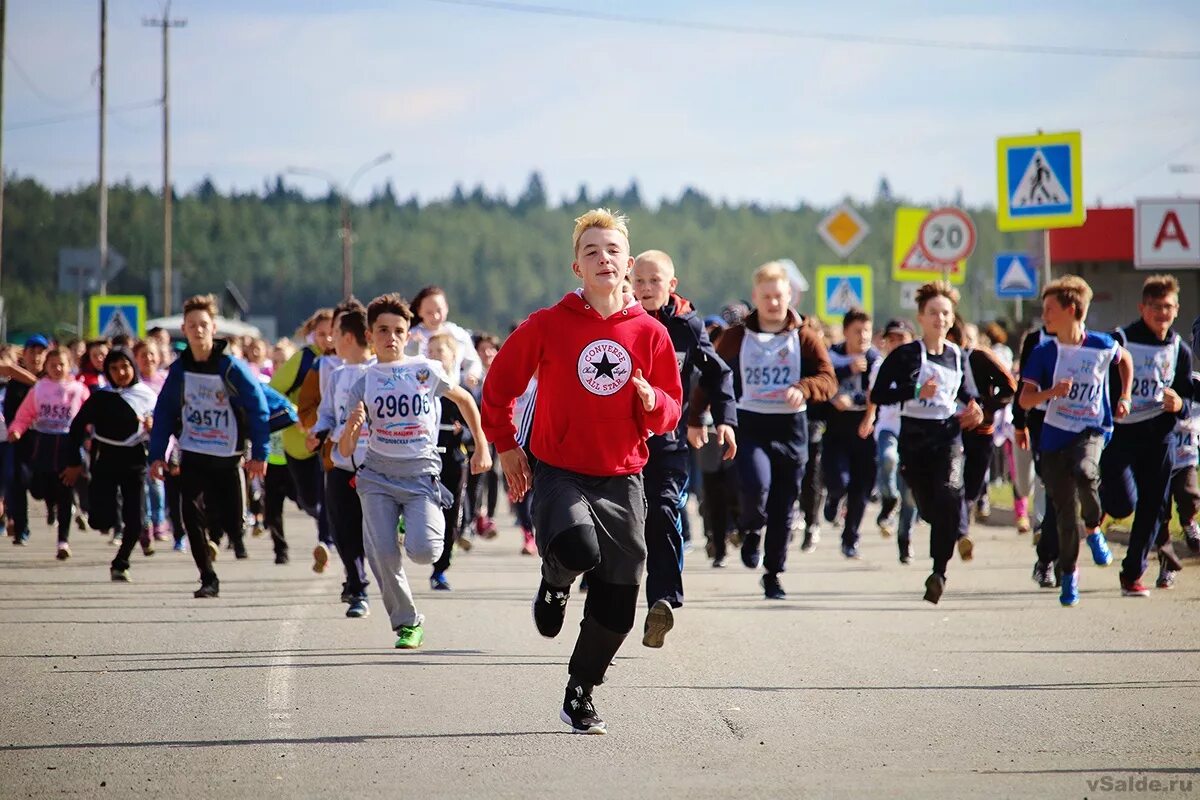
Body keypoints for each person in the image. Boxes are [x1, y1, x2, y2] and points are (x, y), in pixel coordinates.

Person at [481, 209, 682, 735]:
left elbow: (670, 411)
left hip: (622, 476)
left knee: (620, 601)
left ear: (628, 262)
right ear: (577, 266)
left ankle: (581, 688)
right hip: (560, 470)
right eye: (591, 251)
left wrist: (650, 398)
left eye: (612, 250)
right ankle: (554, 582)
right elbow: (498, 388)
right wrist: (506, 447)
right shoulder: (547, 324)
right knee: (577, 550)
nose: (603, 259)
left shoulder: (650, 334)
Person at [339, 293, 491, 649]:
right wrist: (352, 428)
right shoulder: (363, 382)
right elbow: (344, 451)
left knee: (425, 552)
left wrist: (482, 445)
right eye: (382, 330)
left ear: (408, 335)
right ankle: (408, 622)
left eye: (398, 331)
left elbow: (466, 400)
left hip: (421, 474)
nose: (390, 337)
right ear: (370, 334)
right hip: (376, 476)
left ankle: (413, 520)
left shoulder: (425, 370)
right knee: (383, 554)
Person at [700, 261, 835, 599]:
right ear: (755, 297)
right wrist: (695, 416)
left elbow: (828, 379)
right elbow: (711, 374)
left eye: (779, 296)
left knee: (784, 505)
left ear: (790, 296)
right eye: (767, 296)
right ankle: (750, 530)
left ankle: (773, 573)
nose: (774, 303)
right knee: (756, 487)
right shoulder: (737, 336)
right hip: (751, 425)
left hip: (791, 428)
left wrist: (804, 388)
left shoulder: (804, 336)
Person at [632, 248, 736, 648]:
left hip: (669, 441)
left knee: (662, 512)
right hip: (618, 443)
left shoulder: (688, 326)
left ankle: (662, 601)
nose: (644, 288)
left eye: (654, 281)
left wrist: (718, 420)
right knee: (620, 526)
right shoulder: (616, 319)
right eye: (638, 281)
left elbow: (717, 374)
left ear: (671, 285)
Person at [1019, 276, 1133, 606]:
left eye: (1050, 309)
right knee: (1065, 516)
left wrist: (1124, 396)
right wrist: (1051, 393)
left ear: (1072, 310)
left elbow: (1124, 360)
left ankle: (1095, 528)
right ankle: (1069, 574)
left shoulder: (1100, 344)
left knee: (1086, 471)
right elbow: (1025, 400)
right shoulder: (1043, 352)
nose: (1045, 316)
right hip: (1054, 439)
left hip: (1091, 430)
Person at [870, 282, 984, 604]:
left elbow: (967, 394)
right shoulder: (907, 355)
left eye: (945, 313)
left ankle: (939, 572)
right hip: (915, 439)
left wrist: (975, 408)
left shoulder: (958, 356)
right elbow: (879, 394)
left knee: (950, 494)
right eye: (933, 312)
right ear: (921, 317)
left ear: (952, 318)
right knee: (931, 509)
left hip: (947, 436)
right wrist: (916, 393)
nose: (940, 318)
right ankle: (942, 533)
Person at [149, 294, 270, 598]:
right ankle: (208, 577)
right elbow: (163, 412)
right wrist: (157, 455)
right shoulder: (179, 370)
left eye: (203, 324)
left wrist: (260, 453)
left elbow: (258, 409)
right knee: (189, 513)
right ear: (184, 329)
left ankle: (233, 536)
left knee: (231, 520)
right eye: (192, 325)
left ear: (214, 327)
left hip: (228, 457)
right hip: (193, 452)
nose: (198, 330)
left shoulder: (231, 367)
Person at [1099, 274, 1192, 597]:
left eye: (1167, 307)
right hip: (1121, 435)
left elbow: (1187, 394)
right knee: (1124, 504)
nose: (1161, 313)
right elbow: (1099, 381)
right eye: (1155, 307)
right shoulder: (1121, 340)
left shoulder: (1179, 348)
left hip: (1159, 436)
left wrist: (1180, 404)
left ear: (1176, 309)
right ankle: (1101, 502)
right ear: (1142, 307)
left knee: (1154, 506)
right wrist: (1116, 402)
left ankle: (1132, 573)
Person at [63, 347, 157, 580]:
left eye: (125, 366)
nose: (120, 372)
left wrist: (152, 429)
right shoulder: (102, 398)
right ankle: (108, 521)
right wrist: (74, 462)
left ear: (133, 367)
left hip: (134, 459)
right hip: (104, 459)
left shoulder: (147, 396)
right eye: (113, 368)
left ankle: (121, 562)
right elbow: (76, 428)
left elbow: (165, 430)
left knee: (134, 518)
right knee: (99, 519)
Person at [311, 300, 374, 614]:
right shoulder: (336, 375)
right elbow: (325, 414)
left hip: (373, 465)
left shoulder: (379, 372)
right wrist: (318, 431)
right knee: (340, 527)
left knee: (366, 529)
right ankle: (356, 583)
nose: (329, 338)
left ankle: (358, 584)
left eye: (334, 332)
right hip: (338, 461)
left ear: (348, 337)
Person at [7, 345, 90, 558]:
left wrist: (91, 436)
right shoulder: (39, 388)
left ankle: (63, 541)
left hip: (67, 444)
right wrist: (16, 430)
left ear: (69, 365)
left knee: (65, 491)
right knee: (38, 487)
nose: (57, 368)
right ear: (47, 366)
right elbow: (25, 414)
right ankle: (50, 504)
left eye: (62, 364)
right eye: (53, 365)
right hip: (43, 442)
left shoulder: (78, 389)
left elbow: (89, 416)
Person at [270, 308, 336, 573]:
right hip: (299, 442)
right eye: (322, 334)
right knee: (310, 501)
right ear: (312, 335)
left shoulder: (347, 359)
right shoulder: (303, 359)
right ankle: (326, 525)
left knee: (330, 495)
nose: (328, 340)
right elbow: (271, 390)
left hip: (332, 441)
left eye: (333, 334)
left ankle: (326, 543)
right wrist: (293, 414)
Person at [946, 318, 1017, 561]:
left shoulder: (979, 358)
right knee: (954, 481)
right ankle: (962, 532)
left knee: (972, 485)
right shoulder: (937, 360)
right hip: (951, 429)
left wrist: (986, 410)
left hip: (982, 429)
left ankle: (965, 517)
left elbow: (1010, 387)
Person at [822, 308, 880, 559]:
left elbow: (876, 394)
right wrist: (846, 372)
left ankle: (850, 539)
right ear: (846, 332)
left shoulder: (875, 359)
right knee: (838, 481)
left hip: (864, 427)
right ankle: (834, 498)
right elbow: (821, 379)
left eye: (867, 330)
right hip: (836, 428)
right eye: (857, 331)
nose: (863, 336)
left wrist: (862, 407)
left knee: (861, 488)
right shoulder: (832, 355)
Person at [863, 319, 919, 562]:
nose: (896, 343)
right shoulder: (880, 365)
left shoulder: (921, 363)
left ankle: (905, 537)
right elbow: (873, 395)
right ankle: (888, 498)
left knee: (911, 491)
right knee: (887, 459)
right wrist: (869, 417)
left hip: (915, 429)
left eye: (901, 338)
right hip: (888, 426)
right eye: (891, 339)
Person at [426, 332, 473, 589]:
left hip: (455, 463)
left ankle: (440, 570)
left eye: (439, 351)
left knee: (451, 516)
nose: (434, 356)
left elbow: (475, 433)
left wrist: (461, 432)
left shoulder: (461, 393)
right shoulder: (421, 390)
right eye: (430, 351)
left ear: (453, 356)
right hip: (425, 461)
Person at [2, 336, 47, 546]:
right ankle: (21, 528)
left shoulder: (53, 378)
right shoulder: (17, 383)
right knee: (16, 480)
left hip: (47, 441)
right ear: (25, 354)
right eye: (32, 352)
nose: (36, 357)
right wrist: (17, 428)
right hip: (21, 439)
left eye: (41, 352)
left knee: (40, 484)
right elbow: (11, 411)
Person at [407, 286, 483, 388]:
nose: (435, 316)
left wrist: (472, 374)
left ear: (446, 308)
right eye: (429, 312)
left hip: (453, 392)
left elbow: (473, 360)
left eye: (439, 311)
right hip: (421, 392)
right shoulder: (410, 335)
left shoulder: (458, 334)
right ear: (419, 311)